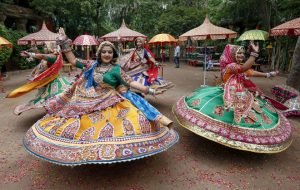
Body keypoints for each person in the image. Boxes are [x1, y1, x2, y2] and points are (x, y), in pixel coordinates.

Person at [22, 29, 178, 166]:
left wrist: (149, 90)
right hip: (89, 99)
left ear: (113, 54)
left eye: (110, 52)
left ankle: (111, 153)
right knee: (74, 121)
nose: (107, 54)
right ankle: (84, 151)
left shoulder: (116, 69)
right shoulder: (91, 65)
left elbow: (131, 83)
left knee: (132, 119)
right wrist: (64, 43)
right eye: (104, 52)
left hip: (111, 99)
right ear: (99, 54)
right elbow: (73, 61)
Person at [173, 42, 292, 153]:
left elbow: (249, 72)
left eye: (242, 53)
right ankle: (228, 134)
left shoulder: (237, 66)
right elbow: (245, 69)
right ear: (232, 55)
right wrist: (254, 54)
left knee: (252, 111)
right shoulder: (231, 66)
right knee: (229, 114)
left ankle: (241, 135)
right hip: (230, 94)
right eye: (238, 53)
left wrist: (267, 74)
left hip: (242, 93)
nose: (241, 55)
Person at [6, 43, 74, 115]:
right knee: (45, 98)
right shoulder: (48, 57)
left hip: (53, 81)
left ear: (50, 48)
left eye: (45, 47)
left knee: (52, 97)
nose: (44, 48)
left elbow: (42, 56)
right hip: (47, 81)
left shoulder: (54, 56)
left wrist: (31, 54)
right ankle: (52, 110)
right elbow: (41, 56)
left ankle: (57, 111)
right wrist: (34, 48)